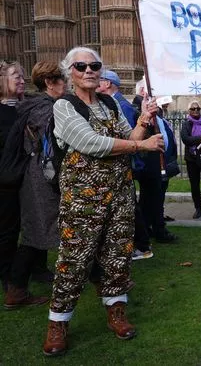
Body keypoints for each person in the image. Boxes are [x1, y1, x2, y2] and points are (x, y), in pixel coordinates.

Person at [42, 47, 164, 357]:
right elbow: (91, 144)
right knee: (74, 261)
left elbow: (129, 134)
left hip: (120, 196)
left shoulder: (109, 103)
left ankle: (117, 312)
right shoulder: (63, 107)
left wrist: (145, 120)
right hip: (83, 201)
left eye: (94, 65)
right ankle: (58, 323)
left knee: (117, 255)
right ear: (70, 72)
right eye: (81, 66)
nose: (89, 71)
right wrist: (141, 144)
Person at [4, 61, 66, 309]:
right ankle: (16, 290)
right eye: (62, 80)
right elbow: (56, 140)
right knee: (33, 236)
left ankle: (19, 287)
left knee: (37, 233)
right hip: (39, 179)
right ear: (50, 83)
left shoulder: (38, 105)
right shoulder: (43, 109)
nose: (66, 85)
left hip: (39, 177)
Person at [97, 71, 157, 258]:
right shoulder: (106, 103)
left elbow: (128, 137)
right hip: (114, 165)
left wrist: (144, 123)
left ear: (107, 83)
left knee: (130, 206)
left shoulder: (119, 104)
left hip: (123, 163)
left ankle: (141, 245)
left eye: (100, 79)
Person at [132, 82, 179, 242]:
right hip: (149, 166)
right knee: (150, 200)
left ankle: (152, 227)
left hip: (162, 164)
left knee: (155, 198)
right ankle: (155, 230)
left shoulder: (158, 116)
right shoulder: (139, 112)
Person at [0, 61, 25, 294]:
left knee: (23, 227)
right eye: (15, 76)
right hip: (5, 182)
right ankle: (7, 278)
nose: (21, 80)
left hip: (23, 179)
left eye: (22, 77)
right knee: (7, 231)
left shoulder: (22, 108)